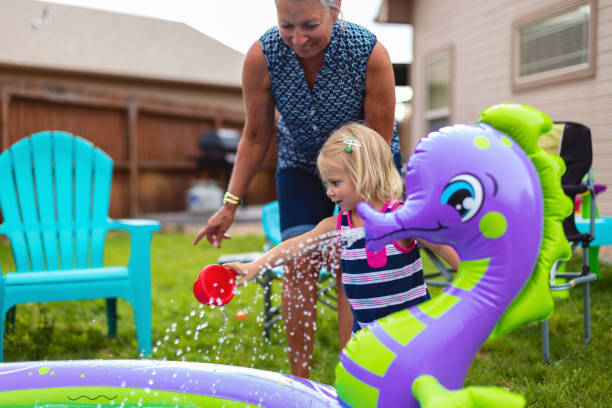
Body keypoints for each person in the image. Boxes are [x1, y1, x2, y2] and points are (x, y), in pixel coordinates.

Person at [193, 0, 401, 378]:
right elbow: (256, 134)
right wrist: (229, 205)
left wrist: (364, 196)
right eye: (286, 25)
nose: (298, 38)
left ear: (335, 9)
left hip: (367, 165)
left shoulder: (370, 55)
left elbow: (376, 146)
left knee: (350, 266)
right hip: (302, 167)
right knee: (299, 262)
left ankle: (353, 377)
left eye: (309, 25)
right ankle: (299, 382)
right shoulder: (263, 55)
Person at [225, 123, 460, 341]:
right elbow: (295, 246)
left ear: (363, 176)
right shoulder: (337, 225)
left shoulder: (401, 219)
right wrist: (255, 266)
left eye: (335, 183)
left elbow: (440, 245)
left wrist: (475, 279)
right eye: (327, 184)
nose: (328, 192)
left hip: (413, 333)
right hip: (368, 336)